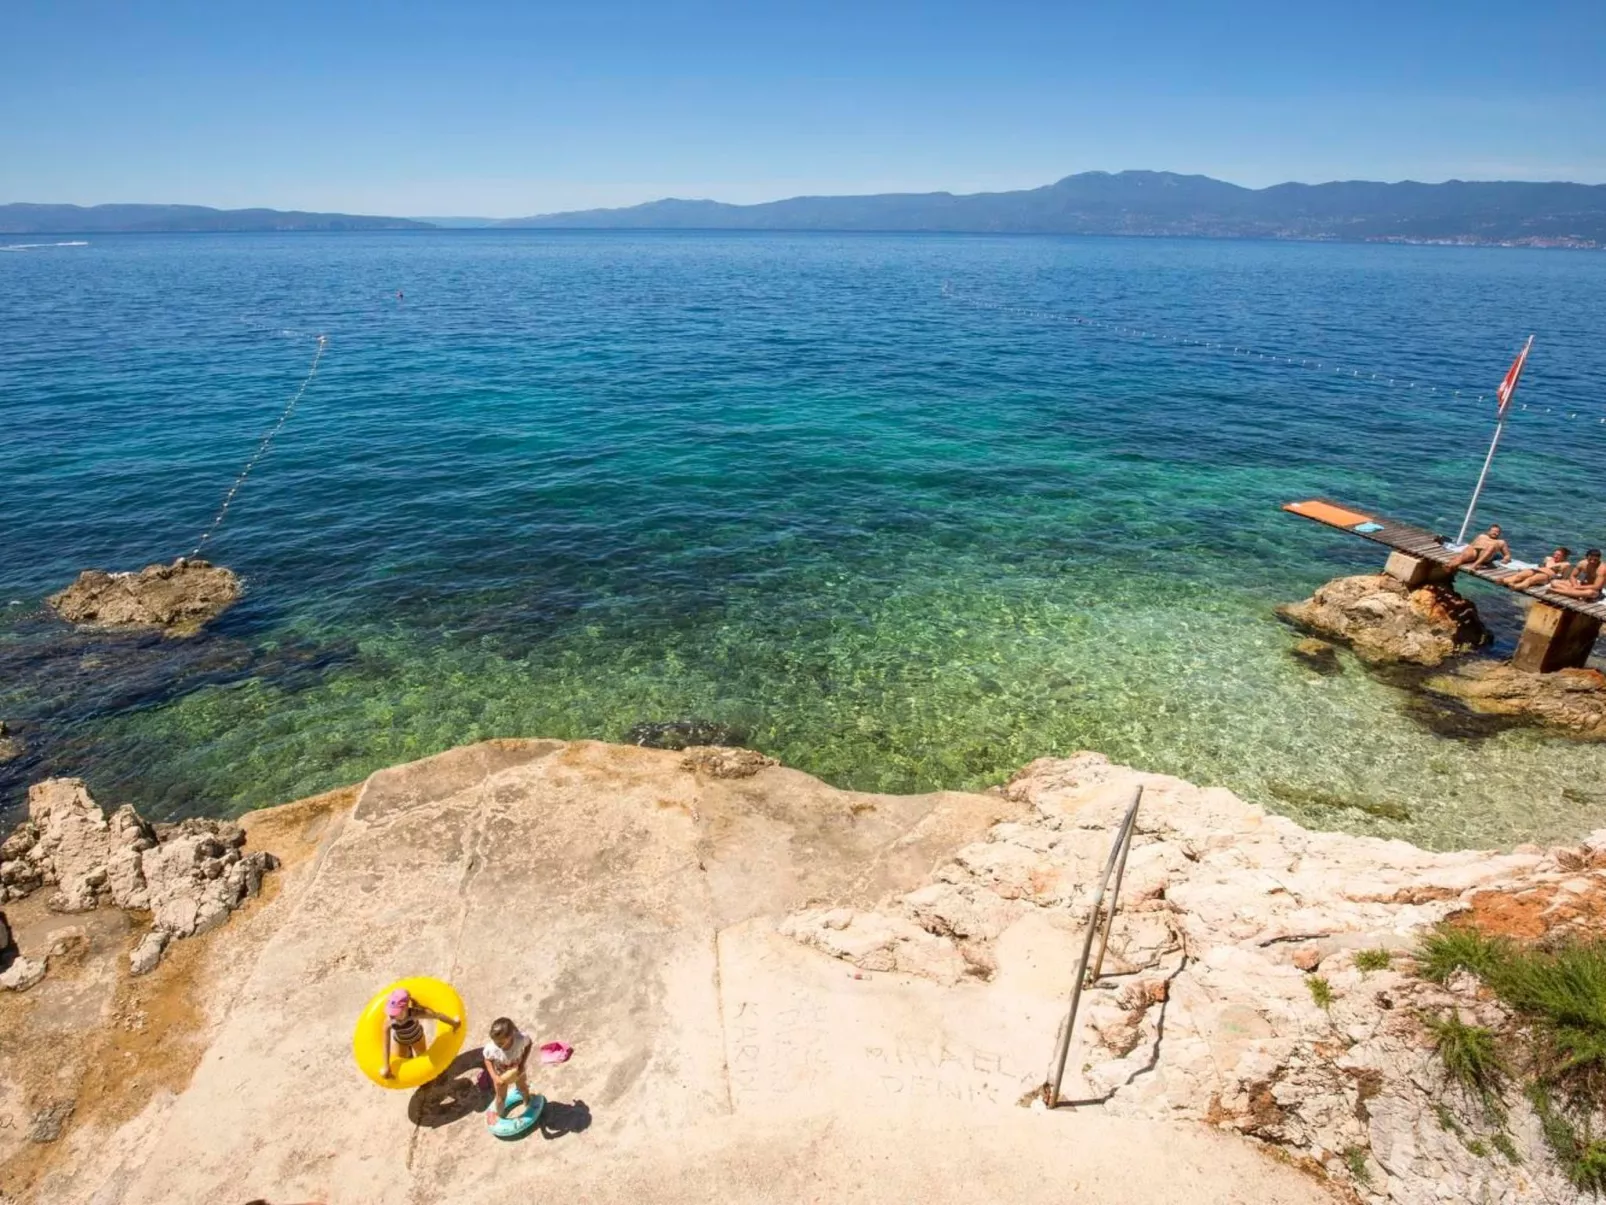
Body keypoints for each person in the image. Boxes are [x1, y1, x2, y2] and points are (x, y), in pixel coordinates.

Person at [381, 988, 460, 1078]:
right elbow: (385, 1044)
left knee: (422, 1060)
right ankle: (410, 1060)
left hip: (417, 1038)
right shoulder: (389, 1021)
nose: (392, 1015)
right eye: (391, 1012)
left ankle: (423, 1080)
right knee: (405, 1061)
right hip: (400, 1041)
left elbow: (437, 1015)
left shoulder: (415, 1013)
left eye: (395, 1012)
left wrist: (454, 1023)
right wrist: (386, 1066)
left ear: (406, 1007)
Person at [483, 1016, 534, 1121]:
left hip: (518, 1071)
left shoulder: (520, 1039)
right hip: (501, 1075)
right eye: (495, 1042)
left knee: (523, 1088)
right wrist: (494, 1077)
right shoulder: (491, 1048)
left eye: (501, 1042)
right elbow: (487, 1060)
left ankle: (528, 1104)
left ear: (511, 1036)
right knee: (501, 1098)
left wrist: (522, 1063)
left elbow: (529, 1044)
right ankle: (500, 1116)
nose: (498, 1045)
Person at [1446, 525, 1510, 571]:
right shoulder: (1481, 536)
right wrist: (1463, 553)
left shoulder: (1501, 542)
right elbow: (1471, 546)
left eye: (1497, 532)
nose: (1495, 533)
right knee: (1462, 556)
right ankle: (1449, 566)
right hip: (1474, 553)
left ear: (1499, 534)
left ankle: (1474, 566)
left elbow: (1507, 555)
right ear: (1488, 531)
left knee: (1491, 546)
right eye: (1493, 531)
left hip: (1486, 556)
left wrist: (1505, 559)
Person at [1505, 546, 1572, 590]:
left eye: (1558, 555)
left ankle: (1517, 587)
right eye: (1555, 554)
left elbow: (1564, 577)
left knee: (1530, 579)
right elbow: (1541, 567)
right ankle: (1504, 580)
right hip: (1537, 570)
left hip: (1546, 576)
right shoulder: (1548, 558)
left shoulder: (1565, 564)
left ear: (1564, 557)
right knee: (1519, 575)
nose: (1555, 556)